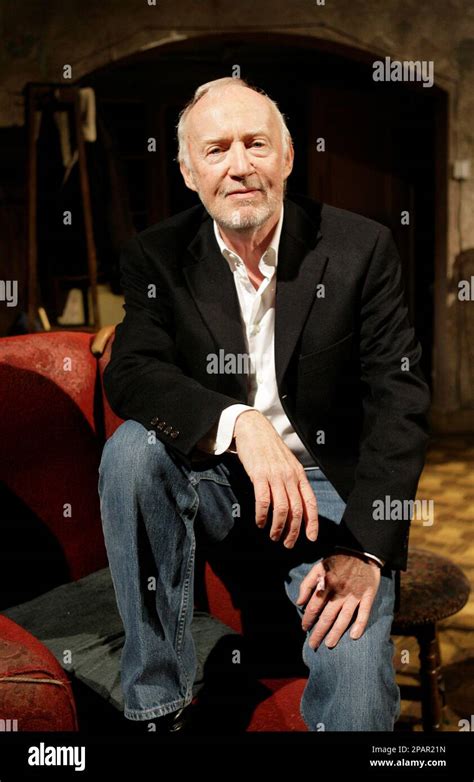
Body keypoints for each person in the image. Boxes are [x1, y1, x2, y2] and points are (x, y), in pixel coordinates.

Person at [98, 77, 431, 732]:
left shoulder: (361, 248)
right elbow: (133, 372)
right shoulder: (157, 256)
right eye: (217, 150)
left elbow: (400, 397)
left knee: (361, 700)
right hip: (215, 480)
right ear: (191, 172)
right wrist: (238, 423)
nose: (240, 165)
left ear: (286, 157)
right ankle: (155, 706)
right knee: (133, 449)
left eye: (256, 144)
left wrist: (366, 550)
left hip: (329, 495)